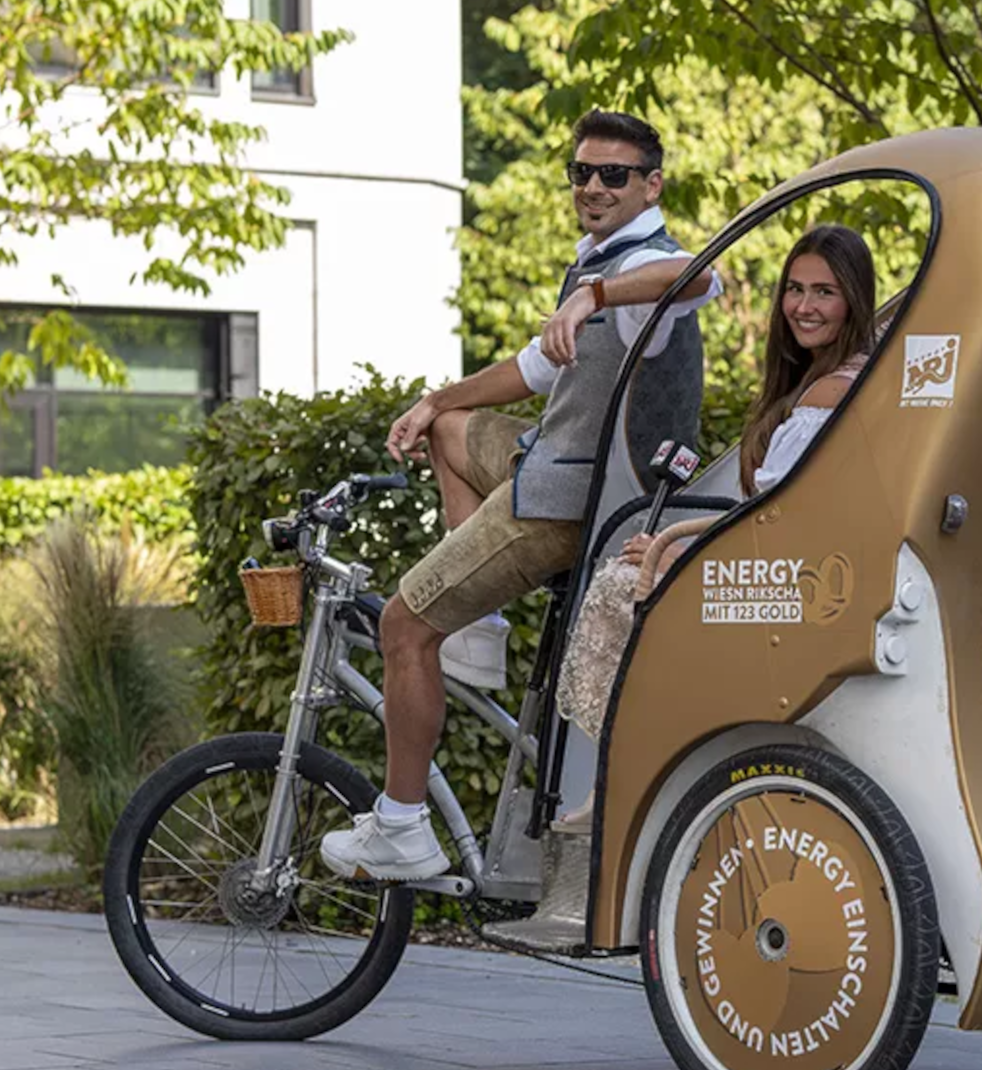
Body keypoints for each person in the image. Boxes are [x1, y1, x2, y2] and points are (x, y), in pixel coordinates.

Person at [319, 111, 721, 881]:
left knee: (403, 626)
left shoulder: (644, 267)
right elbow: (533, 370)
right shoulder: (600, 261)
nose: (593, 187)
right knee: (450, 429)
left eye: (613, 175)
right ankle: (478, 628)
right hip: (550, 464)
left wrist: (591, 297)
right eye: (582, 172)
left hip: (569, 503)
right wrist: (433, 401)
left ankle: (402, 827)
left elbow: (699, 275)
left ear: (652, 186)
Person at [550, 223, 877, 829]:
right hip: (805, 569)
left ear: (855, 300)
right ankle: (632, 772)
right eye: (796, 289)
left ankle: (625, 777)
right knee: (642, 564)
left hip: (791, 584)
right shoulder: (850, 380)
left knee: (623, 584)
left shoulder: (827, 395)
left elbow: (780, 520)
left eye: (825, 292)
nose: (804, 307)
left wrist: (682, 554)